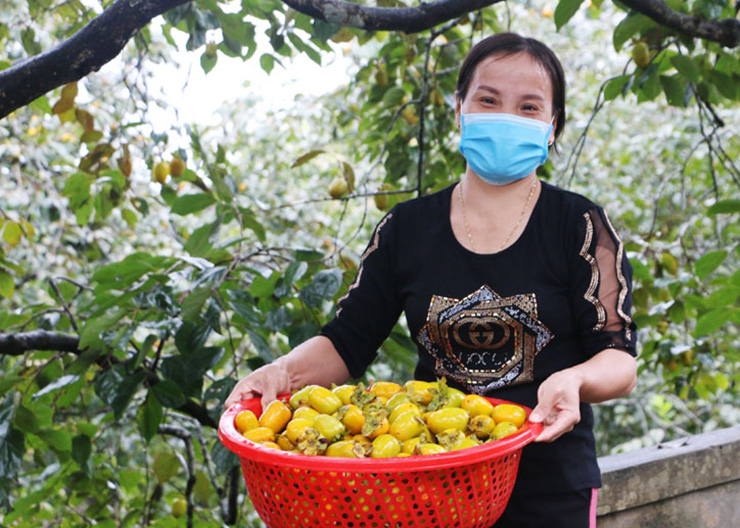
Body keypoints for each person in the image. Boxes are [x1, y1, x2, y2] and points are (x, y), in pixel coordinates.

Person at [225, 32, 637, 528]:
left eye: (528, 107)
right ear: (459, 109)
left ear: (552, 128)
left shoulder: (581, 226)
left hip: (551, 485)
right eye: (489, 100)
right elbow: (347, 343)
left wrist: (574, 378)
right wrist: (283, 374)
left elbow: (618, 360)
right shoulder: (406, 228)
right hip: (429, 490)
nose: (506, 117)